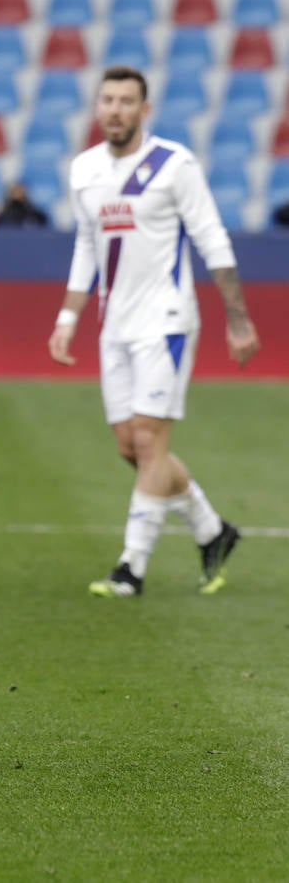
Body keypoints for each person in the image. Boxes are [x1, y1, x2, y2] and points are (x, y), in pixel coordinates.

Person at [47, 65, 259, 598]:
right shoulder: (85, 170)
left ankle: (130, 568)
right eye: (107, 100)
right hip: (113, 325)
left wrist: (238, 319)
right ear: (97, 108)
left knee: (149, 438)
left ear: (145, 111)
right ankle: (213, 530)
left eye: (126, 101)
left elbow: (212, 237)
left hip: (165, 322)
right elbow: (85, 246)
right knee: (132, 447)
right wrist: (68, 317)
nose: (115, 109)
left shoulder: (174, 165)